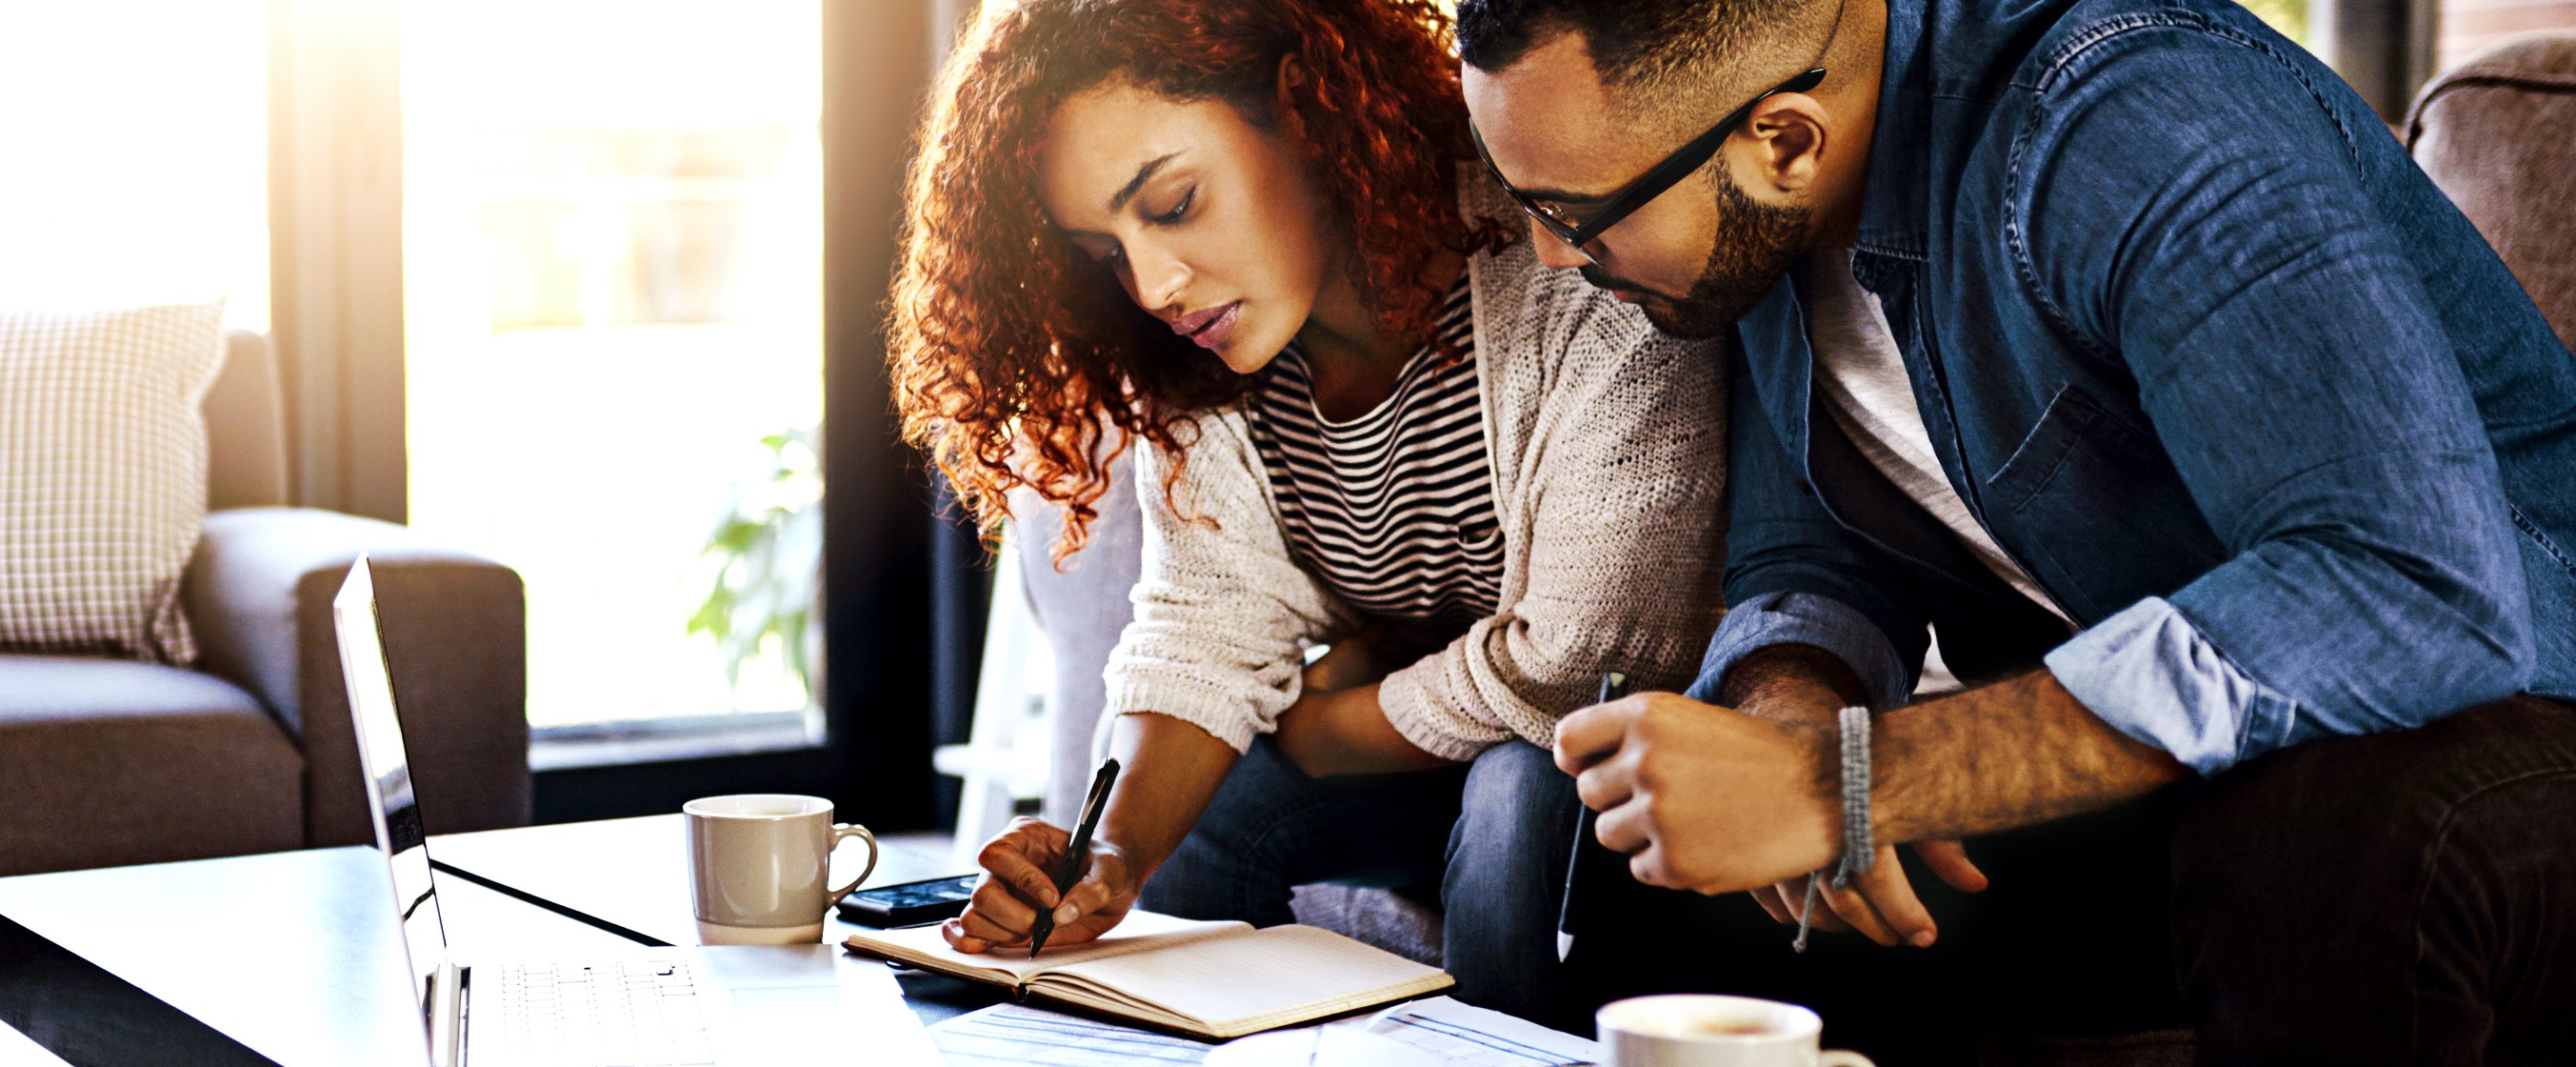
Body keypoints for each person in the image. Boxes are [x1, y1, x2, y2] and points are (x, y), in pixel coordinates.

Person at [1456, 0, 2576, 1060]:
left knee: (2323, 836)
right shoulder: (1762, 221)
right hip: (2211, 765)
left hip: (2508, 719)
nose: (1550, 258)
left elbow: (2411, 582)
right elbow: (1809, 555)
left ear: (1785, 140)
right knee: (1626, 855)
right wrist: (1792, 715)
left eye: (1572, 213)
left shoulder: (2127, 114)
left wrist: (1853, 782)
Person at [886, 0, 1730, 1016]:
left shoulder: (1559, 246)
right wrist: (1103, 856)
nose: (1152, 284)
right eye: (1106, 250)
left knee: (1518, 793)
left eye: (1171, 202)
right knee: (1211, 812)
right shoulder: (1202, 362)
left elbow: (1584, 660)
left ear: (1301, 105)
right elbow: (1206, 627)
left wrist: (1338, 726)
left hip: (1621, 763)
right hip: (1437, 751)